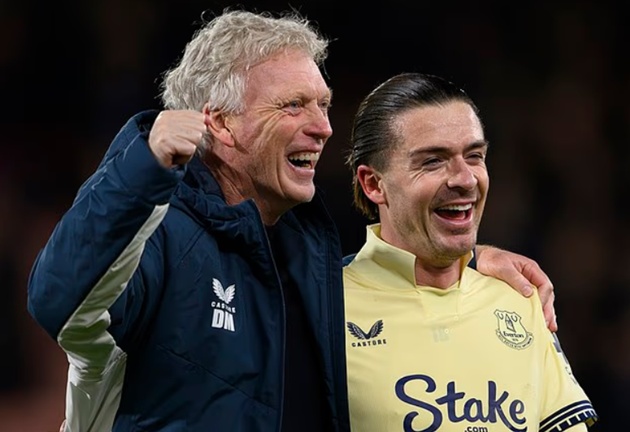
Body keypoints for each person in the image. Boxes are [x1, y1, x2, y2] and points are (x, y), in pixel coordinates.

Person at [28, 9, 556, 432]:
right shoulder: (159, 234)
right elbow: (62, 304)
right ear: (220, 123)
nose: (323, 127)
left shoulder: (307, 250)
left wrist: (467, 260)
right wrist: (141, 166)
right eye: (293, 106)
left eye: (323, 105)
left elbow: (380, 281)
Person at [343, 72, 598, 431]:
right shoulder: (325, 306)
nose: (465, 179)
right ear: (373, 184)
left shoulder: (519, 298)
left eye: (474, 156)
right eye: (433, 161)